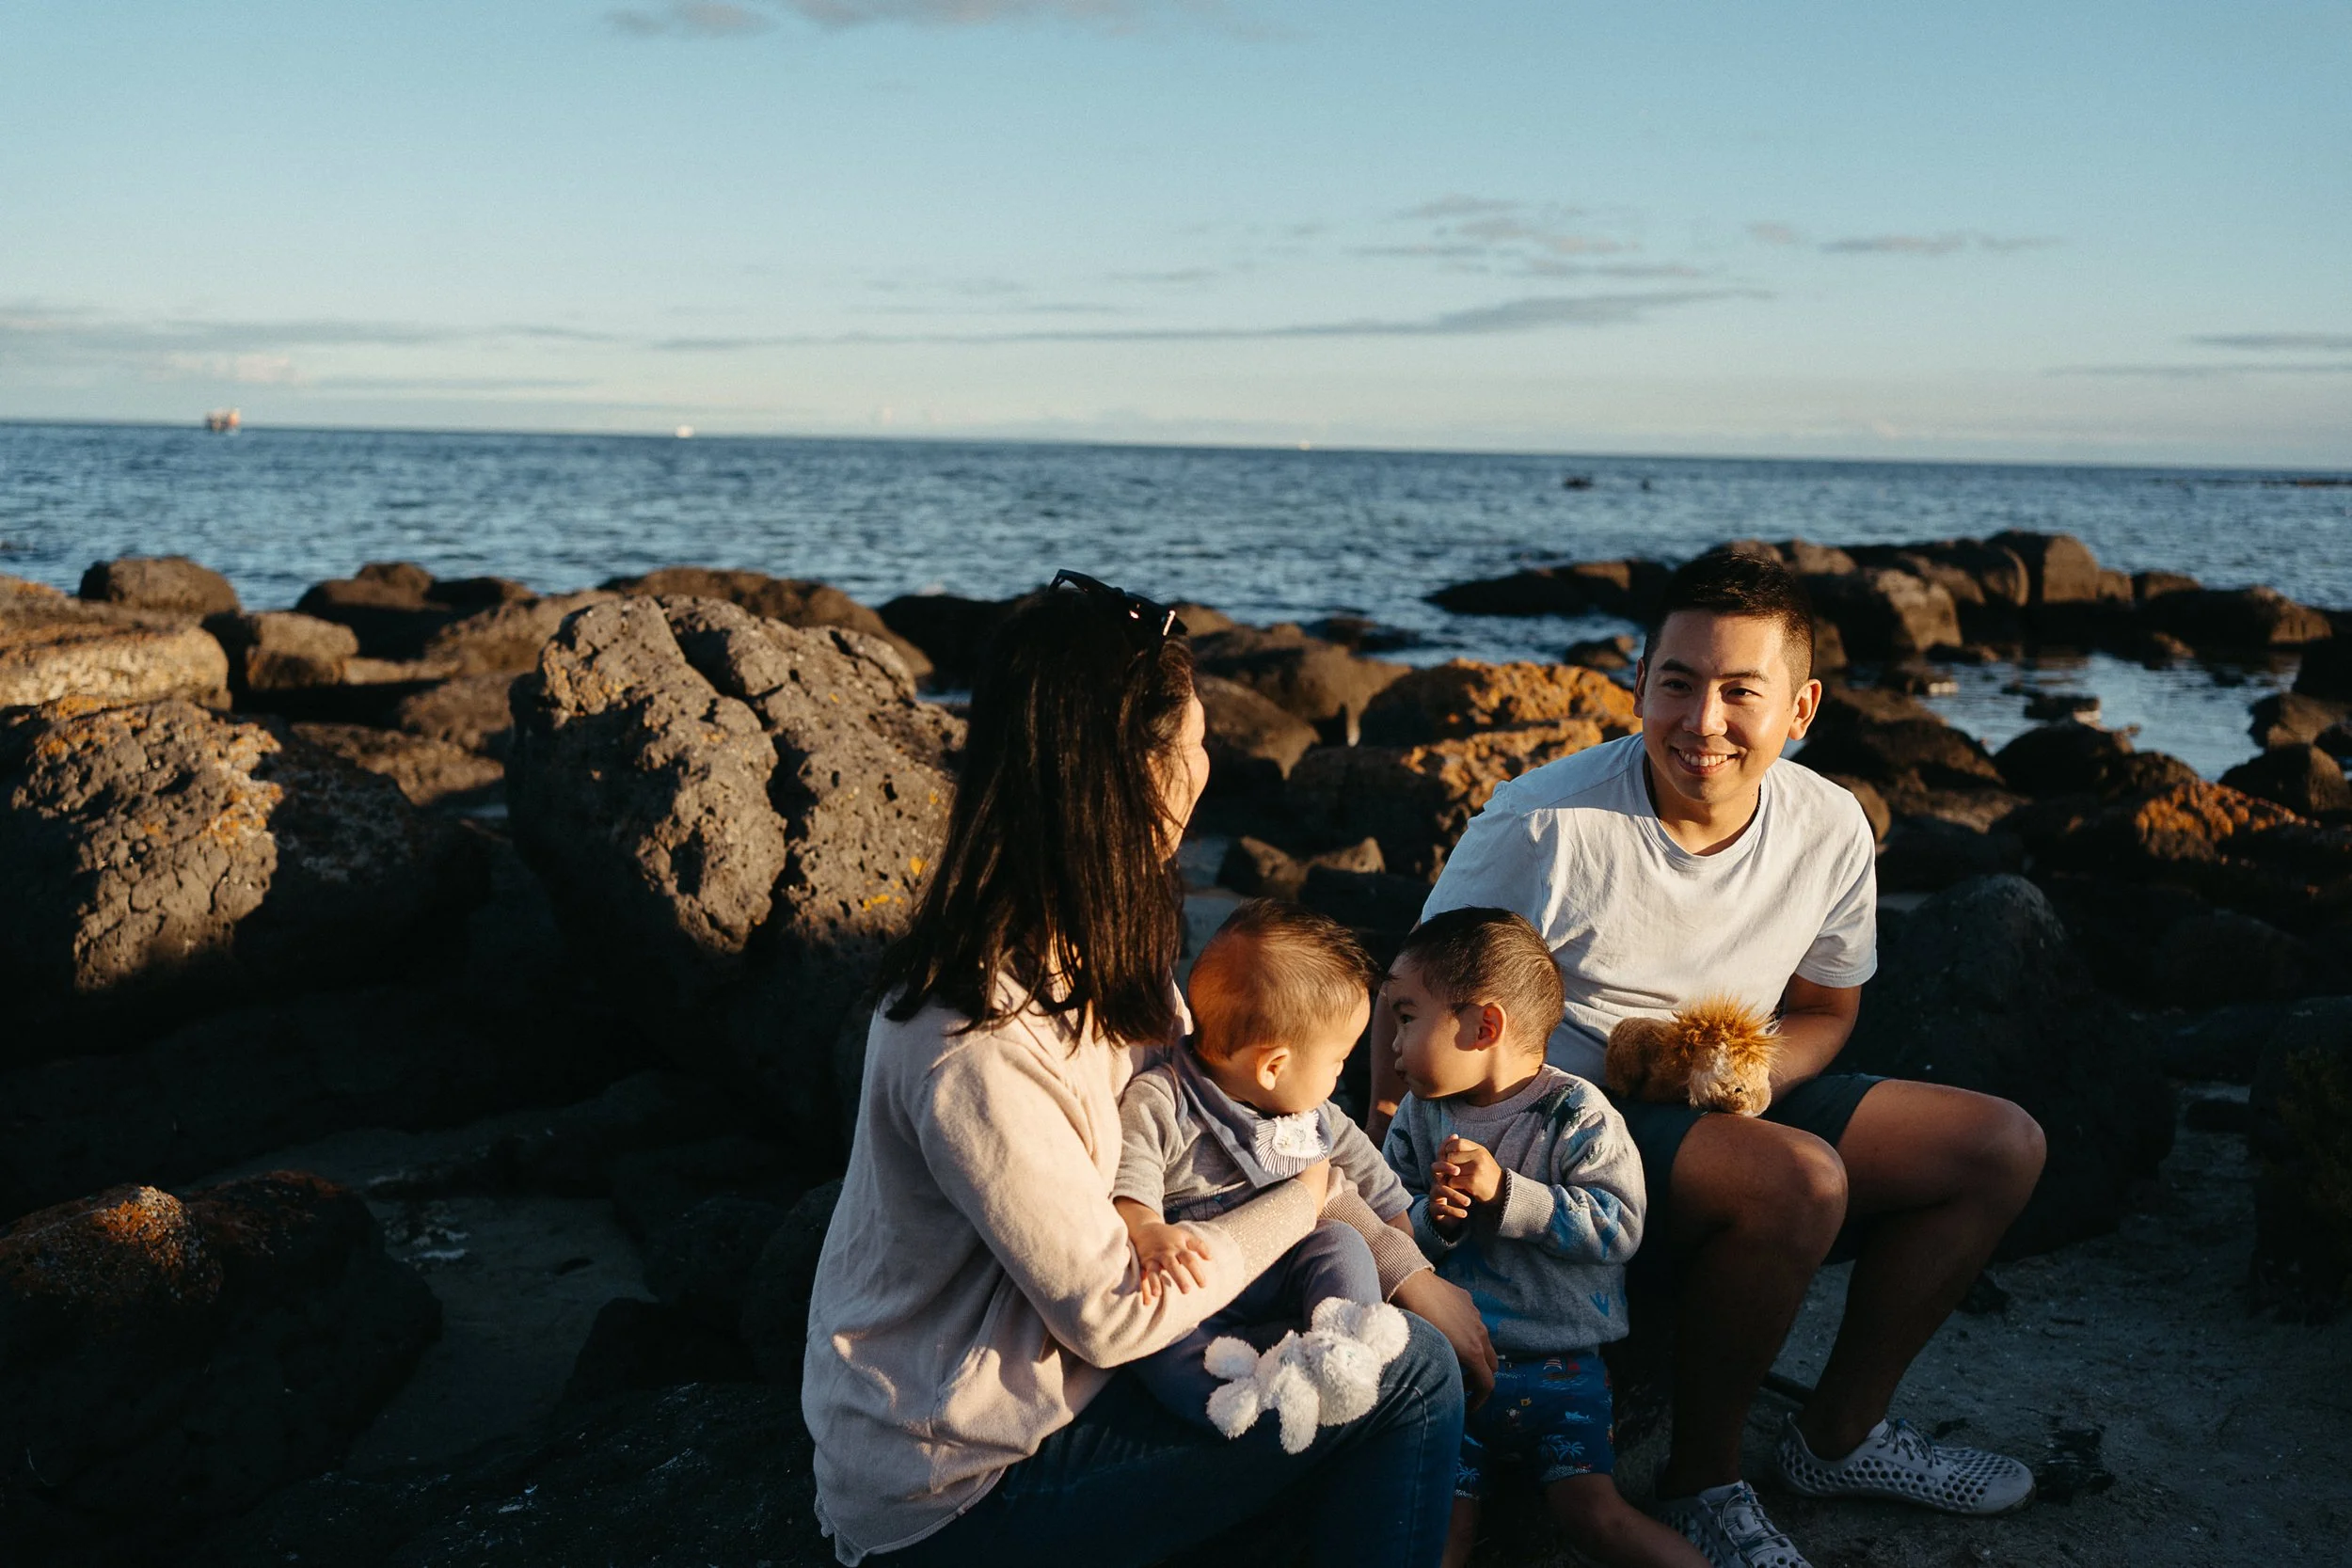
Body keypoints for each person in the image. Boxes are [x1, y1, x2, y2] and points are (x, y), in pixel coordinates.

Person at [1370, 550, 2046, 1568]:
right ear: (1639, 681)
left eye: (1740, 690)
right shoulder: (1545, 823)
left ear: (1801, 706)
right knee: (1799, 1179)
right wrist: (1396, 1212)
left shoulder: (1828, 824)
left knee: (2000, 1144)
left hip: (1726, 1087)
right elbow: (1405, 1006)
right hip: (1561, 1124)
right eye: (1676, 681)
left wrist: (1756, 1081)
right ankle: (1701, 1482)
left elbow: (1824, 1006)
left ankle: (1837, 1436)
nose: (1702, 719)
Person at [803, 571, 1490, 1568]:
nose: (1206, 767)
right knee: (1412, 1370)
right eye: (1193, 743)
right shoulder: (977, 1040)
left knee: (1360, 1332)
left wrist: (1398, 1259)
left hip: (1068, 1382)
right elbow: (1116, 1309)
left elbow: (1217, 1129)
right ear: (1130, 775)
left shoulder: (1082, 949)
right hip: (958, 1484)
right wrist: (1317, 1198)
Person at [1381, 907, 1708, 1568]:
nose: (1392, 1045)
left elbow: (1619, 1225)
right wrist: (1432, 1222)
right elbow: (1388, 1213)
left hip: (1565, 1374)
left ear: (1484, 1025)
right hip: (1454, 1373)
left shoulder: (1577, 1113)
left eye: (1408, 1017)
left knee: (1597, 1517)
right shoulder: (1420, 1112)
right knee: (1442, 1532)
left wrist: (1507, 1194)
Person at [1114, 897, 1415, 1432]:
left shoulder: (1314, 1114)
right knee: (1156, 1334)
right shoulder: (1164, 1097)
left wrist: (1399, 1231)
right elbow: (1132, 1168)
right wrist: (1148, 1229)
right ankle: (1232, 1400)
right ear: (1274, 1066)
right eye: (1338, 1062)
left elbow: (1369, 1172)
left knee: (1340, 1244)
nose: (1340, 1077)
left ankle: (1344, 1349)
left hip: (1284, 1268)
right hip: (1203, 1287)